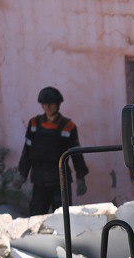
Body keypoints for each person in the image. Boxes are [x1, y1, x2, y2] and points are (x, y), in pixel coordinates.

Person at [18, 86, 87, 216]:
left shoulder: (68, 126)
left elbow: (76, 154)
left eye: (51, 104)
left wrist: (80, 178)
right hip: (39, 178)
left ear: (58, 105)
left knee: (63, 217)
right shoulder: (33, 124)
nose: (48, 107)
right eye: (44, 104)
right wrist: (22, 174)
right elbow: (26, 151)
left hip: (60, 179)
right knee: (36, 217)